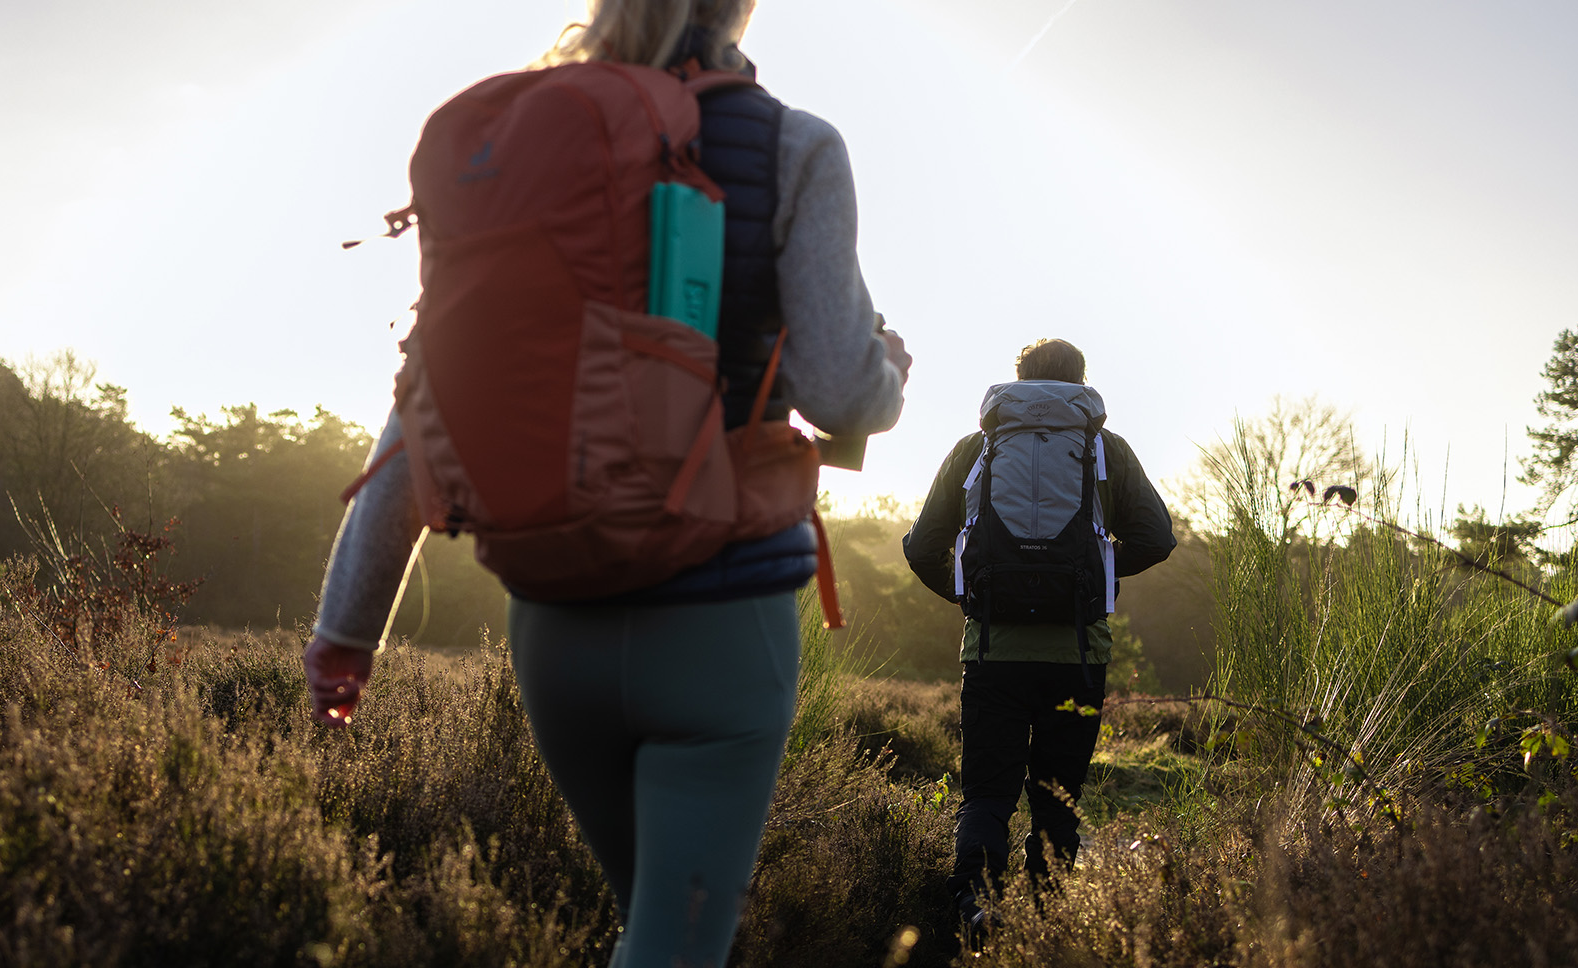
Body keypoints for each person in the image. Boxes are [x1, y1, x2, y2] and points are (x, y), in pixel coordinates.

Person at [301, 3, 912, 966]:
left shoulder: (513, 147)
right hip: (719, 622)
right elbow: (839, 389)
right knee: (676, 947)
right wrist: (889, 376)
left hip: (555, 629)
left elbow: (424, 406)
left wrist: (346, 632)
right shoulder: (793, 146)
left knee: (650, 930)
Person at [901, 338, 1172, 939]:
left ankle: (975, 906)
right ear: (1080, 381)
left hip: (993, 656)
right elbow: (1157, 538)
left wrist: (971, 596)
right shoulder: (1105, 449)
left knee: (987, 793)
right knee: (1057, 796)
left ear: (1018, 380)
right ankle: (1045, 921)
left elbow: (921, 548)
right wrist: (1092, 577)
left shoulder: (977, 448)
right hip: (1078, 659)